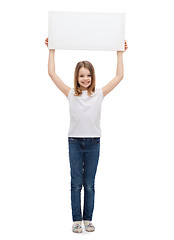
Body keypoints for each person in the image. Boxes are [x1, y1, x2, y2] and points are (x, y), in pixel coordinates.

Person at [45, 38, 128, 233]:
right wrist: (51, 50)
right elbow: (51, 73)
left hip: (93, 143)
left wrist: (119, 53)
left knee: (89, 183)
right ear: (77, 77)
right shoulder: (71, 93)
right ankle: (76, 219)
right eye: (82, 75)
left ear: (92, 77)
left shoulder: (98, 94)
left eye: (88, 75)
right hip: (74, 142)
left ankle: (88, 219)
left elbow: (119, 76)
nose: (85, 79)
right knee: (76, 183)